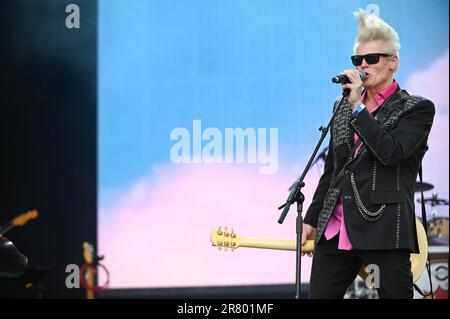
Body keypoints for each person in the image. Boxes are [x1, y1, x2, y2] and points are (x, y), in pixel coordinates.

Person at [301, 9, 435, 299]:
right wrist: (312, 219)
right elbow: (333, 169)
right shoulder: (344, 107)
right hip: (336, 228)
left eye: (371, 59)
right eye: (357, 60)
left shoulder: (416, 108)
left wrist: (358, 109)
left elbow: (390, 152)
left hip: (383, 228)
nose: (363, 65)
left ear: (392, 62)